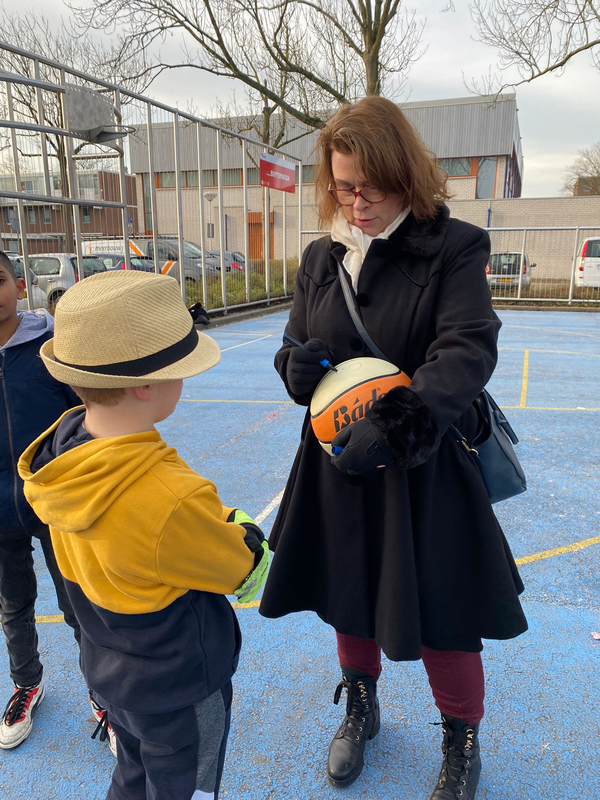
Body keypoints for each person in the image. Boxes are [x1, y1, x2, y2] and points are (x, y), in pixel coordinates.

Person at [259, 97, 528, 800]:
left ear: (404, 173)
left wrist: (400, 422)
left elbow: (466, 349)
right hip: (337, 466)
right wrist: (296, 368)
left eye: (370, 186)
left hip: (421, 463)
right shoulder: (322, 256)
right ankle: (361, 703)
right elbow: (294, 344)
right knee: (346, 598)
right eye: (344, 185)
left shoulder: (454, 245)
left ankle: (460, 739)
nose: (357, 201)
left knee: (445, 615)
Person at [18, 269, 269, 800]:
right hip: (177, 678)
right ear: (145, 383)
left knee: (133, 771)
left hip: (110, 666)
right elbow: (238, 569)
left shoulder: (59, 454)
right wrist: (245, 530)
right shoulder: (167, 493)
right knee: (186, 783)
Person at [0, 250, 109, 751]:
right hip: (0, 516)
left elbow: (86, 418)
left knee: (79, 605)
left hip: (55, 505)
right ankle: (26, 685)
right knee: (14, 604)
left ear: (19, 286)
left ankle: (104, 696)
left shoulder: (50, 347)